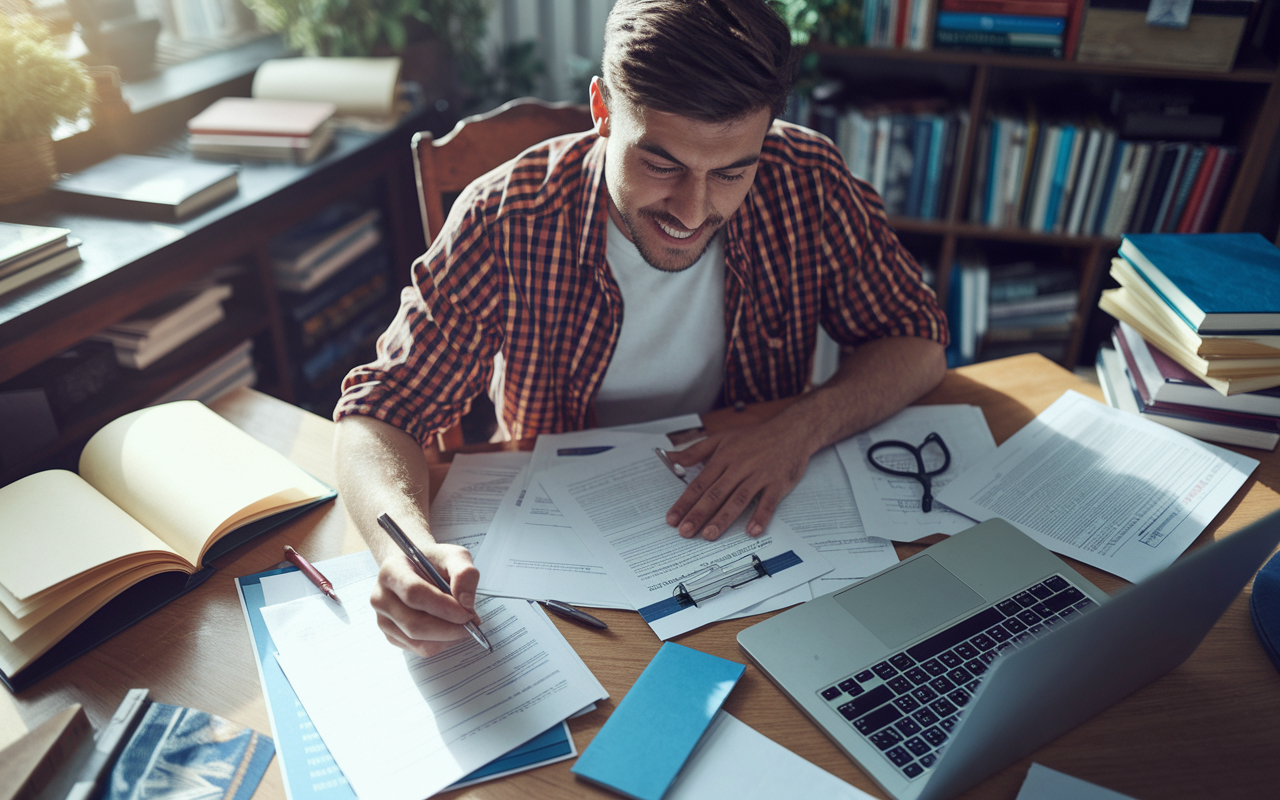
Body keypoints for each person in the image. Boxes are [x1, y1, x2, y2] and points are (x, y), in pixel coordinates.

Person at [333, 0, 949, 656]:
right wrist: (403, 548)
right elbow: (378, 412)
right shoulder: (507, 216)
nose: (694, 209)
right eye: (662, 165)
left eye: (732, 172)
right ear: (602, 111)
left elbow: (916, 339)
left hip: (750, 535)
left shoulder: (808, 181)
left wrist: (797, 432)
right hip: (565, 550)